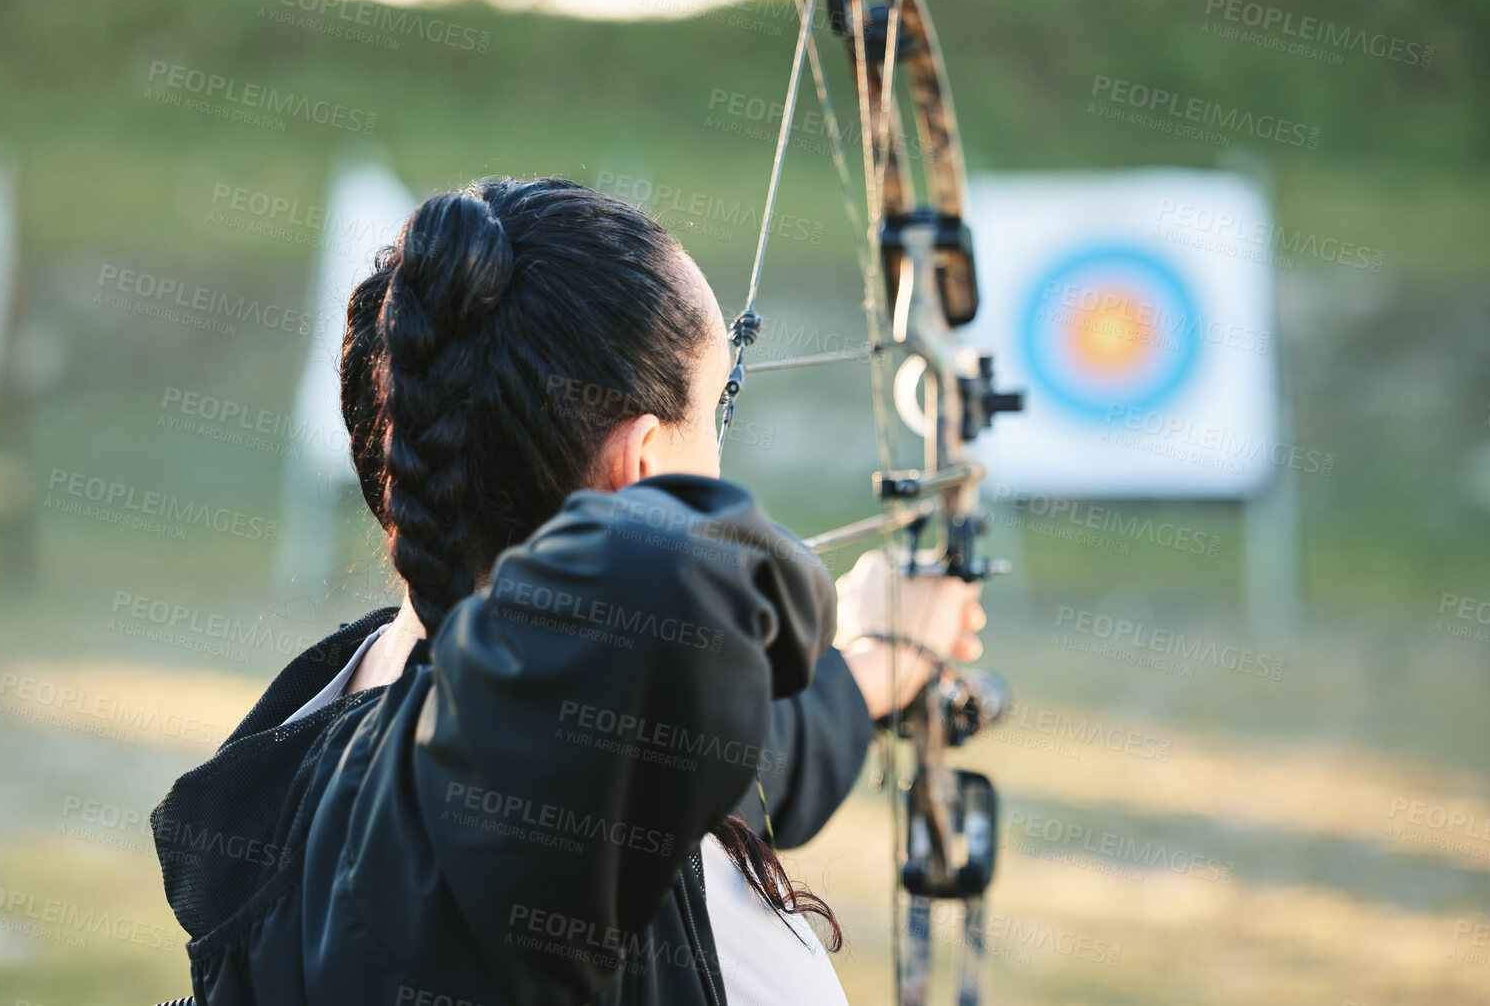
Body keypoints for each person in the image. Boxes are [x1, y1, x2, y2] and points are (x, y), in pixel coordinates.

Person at [151, 177, 985, 1006]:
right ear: (643, 463)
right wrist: (801, 617)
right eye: (717, 397)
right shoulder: (524, 780)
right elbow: (629, 658)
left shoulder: (328, 725)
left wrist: (873, 666)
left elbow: (651, 735)